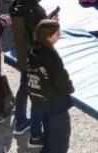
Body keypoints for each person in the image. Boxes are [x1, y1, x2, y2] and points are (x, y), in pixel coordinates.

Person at [12, 0, 51, 143]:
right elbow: (42, 38)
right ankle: (36, 135)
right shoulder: (35, 12)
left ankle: (20, 121)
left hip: (22, 55)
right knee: (38, 95)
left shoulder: (17, 3)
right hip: (35, 58)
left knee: (24, 88)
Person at [27, 20, 73, 153]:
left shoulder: (33, 51)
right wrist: (69, 88)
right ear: (48, 37)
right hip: (55, 104)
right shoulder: (51, 56)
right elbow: (61, 80)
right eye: (57, 33)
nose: (59, 35)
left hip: (41, 101)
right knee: (60, 139)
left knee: (49, 134)